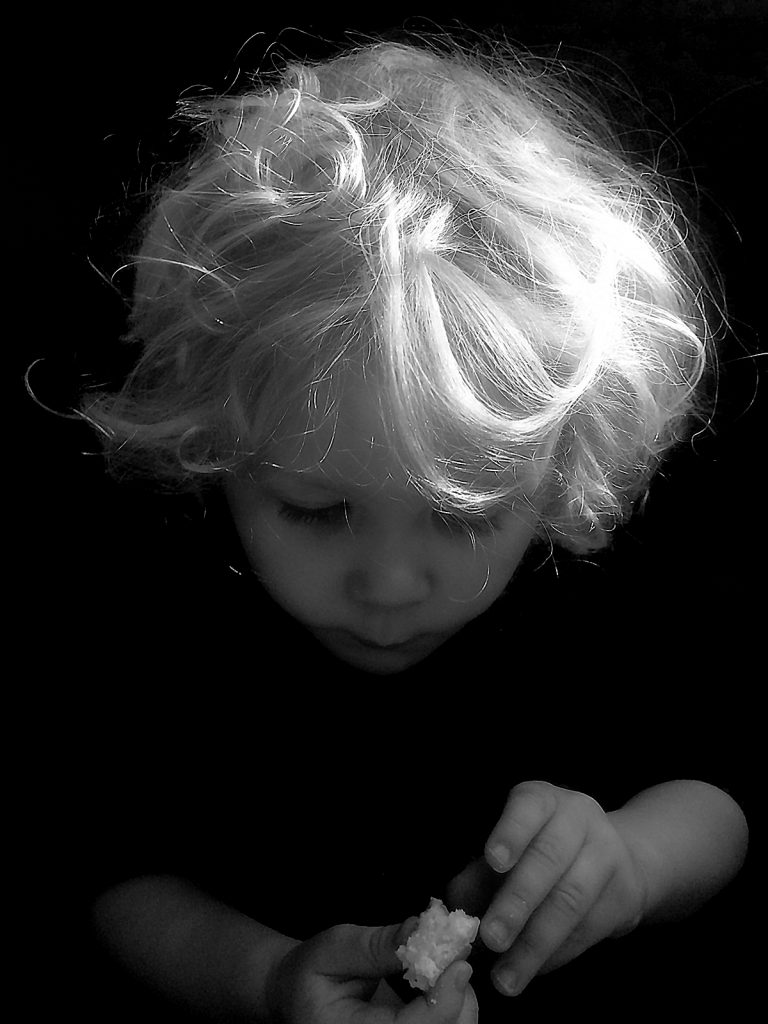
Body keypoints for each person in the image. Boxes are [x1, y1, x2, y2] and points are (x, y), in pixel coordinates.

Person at [43, 27, 749, 1024]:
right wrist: (262, 977)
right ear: (215, 447)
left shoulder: (596, 604)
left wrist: (631, 860)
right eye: (317, 509)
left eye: (463, 514)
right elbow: (113, 874)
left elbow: (722, 792)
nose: (388, 584)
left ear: (557, 471)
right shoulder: (163, 618)